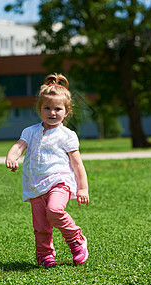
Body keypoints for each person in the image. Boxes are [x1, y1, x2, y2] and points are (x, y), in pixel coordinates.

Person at [5, 73, 90, 268]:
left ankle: (76, 240)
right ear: (39, 109)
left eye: (57, 109)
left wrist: (82, 188)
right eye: (47, 108)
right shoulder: (30, 131)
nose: (52, 112)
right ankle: (45, 255)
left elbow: (77, 164)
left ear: (66, 111)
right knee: (41, 225)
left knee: (54, 210)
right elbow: (19, 146)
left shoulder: (67, 135)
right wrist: (12, 156)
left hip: (60, 182)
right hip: (35, 184)